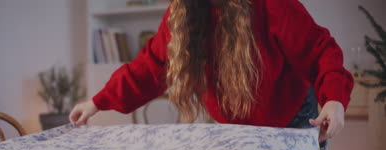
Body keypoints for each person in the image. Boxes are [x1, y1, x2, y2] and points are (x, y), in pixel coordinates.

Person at [69, 0, 353, 142]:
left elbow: (321, 50)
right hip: (235, 125)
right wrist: (97, 102)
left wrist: (334, 100)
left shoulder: (272, 5)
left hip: (292, 117)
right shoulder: (182, 14)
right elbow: (150, 67)